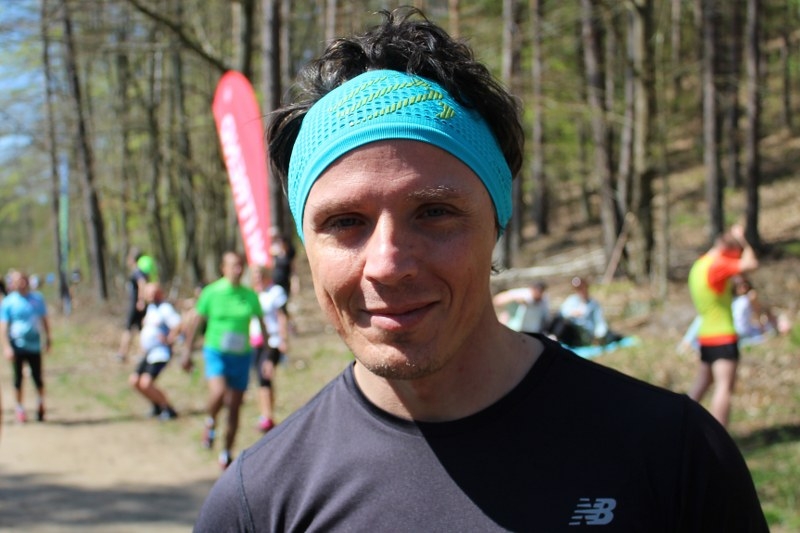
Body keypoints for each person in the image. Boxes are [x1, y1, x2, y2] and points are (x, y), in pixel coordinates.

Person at [195, 8, 767, 531]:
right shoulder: (257, 506)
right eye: (345, 222)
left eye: (434, 212)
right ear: (307, 247)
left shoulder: (673, 456)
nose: (388, 265)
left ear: (498, 223)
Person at [181, 252, 267, 470]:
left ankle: (227, 453)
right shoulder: (211, 292)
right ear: (223, 268)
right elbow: (196, 322)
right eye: (233, 266)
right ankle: (210, 422)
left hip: (242, 356)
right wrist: (187, 351)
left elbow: (262, 326)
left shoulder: (249, 295)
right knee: (219, 393)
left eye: (240, 266)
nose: (237, 270)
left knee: (235, 407)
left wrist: (266, 358)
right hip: (216, 352)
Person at [688, 225, 759, 428]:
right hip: (723, 336)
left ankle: (680, 424)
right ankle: (719, 435)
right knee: (724, 388)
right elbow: (752, 263)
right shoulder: (718, 264)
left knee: (701, 385)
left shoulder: (699, 265)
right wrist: (743, 240)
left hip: (705, 335)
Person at [0, 271, 51, 423]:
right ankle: (20, 408)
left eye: (22, 280)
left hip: (34, 345)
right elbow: (3, 327)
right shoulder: (8, 302)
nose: (20, 283)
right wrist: (6, 347)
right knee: (18, 379)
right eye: (16, 281)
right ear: (12, 284)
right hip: (17, 345)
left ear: (27, 281)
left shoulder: (37, 299)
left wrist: (48, 338)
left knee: (37, 377)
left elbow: (44, 319)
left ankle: (40, 403)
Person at [129, 282, 182, 420]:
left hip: (160, 353)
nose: (150, 296)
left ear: (160, 293)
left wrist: (170, 339)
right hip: (148, 353)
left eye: (153, 293)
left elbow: (178, 324)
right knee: (135, 381)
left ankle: (168, 409)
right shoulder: (151, 308)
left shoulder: (165, 308)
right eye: (148, 293)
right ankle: (157, 405)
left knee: (146, 383)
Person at [249, 265, 289, 433]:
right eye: (254, 275)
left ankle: (267, 416)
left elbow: (282, 316)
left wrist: (283, 339)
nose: (257, 277)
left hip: (272, 341)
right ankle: (266, 415)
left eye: (260, 274)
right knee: (261, 379)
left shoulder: (275, 292)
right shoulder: (251, 294)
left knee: (265, 375)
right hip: (254, 342)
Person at [549, 276, 618, 346]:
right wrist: (572, 313)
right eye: (577, 289)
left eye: (581, 288)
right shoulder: (572, 300)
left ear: (586, 287)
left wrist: (598, 335)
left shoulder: (593, 304)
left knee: (611, 335)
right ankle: (553, 339)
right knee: (561, 322)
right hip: (573, 331)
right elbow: (562, 313)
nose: (580, 291)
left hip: (586, 334)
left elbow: (599, 321)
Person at [115, 248, 154, 362]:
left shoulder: (137, 271)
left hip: (136, 305)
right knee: (140, 329)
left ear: (132, 259)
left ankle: (122, 353)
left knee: (128, 328)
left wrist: (141, 300)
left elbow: (142, 284)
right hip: (138, 304)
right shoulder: (141, 271)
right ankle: (142, 353)